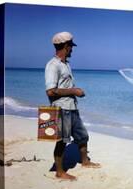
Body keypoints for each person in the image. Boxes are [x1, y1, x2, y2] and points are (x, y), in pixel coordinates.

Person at [45, 31, 100, 181]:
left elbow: (62, 87)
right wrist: (74, 91)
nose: (72, 49)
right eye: (71, 46)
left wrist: (73, 93)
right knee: (62, 141)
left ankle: (85, 161)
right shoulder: (53, 65)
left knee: (83, 136)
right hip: (62, 109)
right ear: (66, 46)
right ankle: (60, 171)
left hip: (72, 108)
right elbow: (50, 91)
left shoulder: (65, 64)